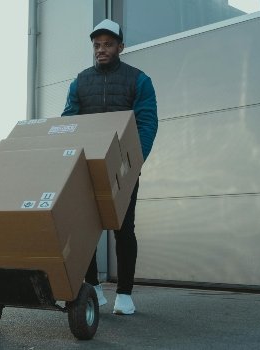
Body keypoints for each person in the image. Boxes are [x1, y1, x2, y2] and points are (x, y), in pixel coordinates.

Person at [62, 19, 158, 315]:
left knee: (123, 228)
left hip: (123, 169)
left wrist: (134, 161)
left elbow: (147, 122)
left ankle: (125, 295)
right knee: (86, 229)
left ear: (120, 47)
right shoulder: (80, 81)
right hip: (86, 167)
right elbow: (69, 120)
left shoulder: (138, 80)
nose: (101, 50)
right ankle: (93, 287)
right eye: (97, 45)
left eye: (107, 44)